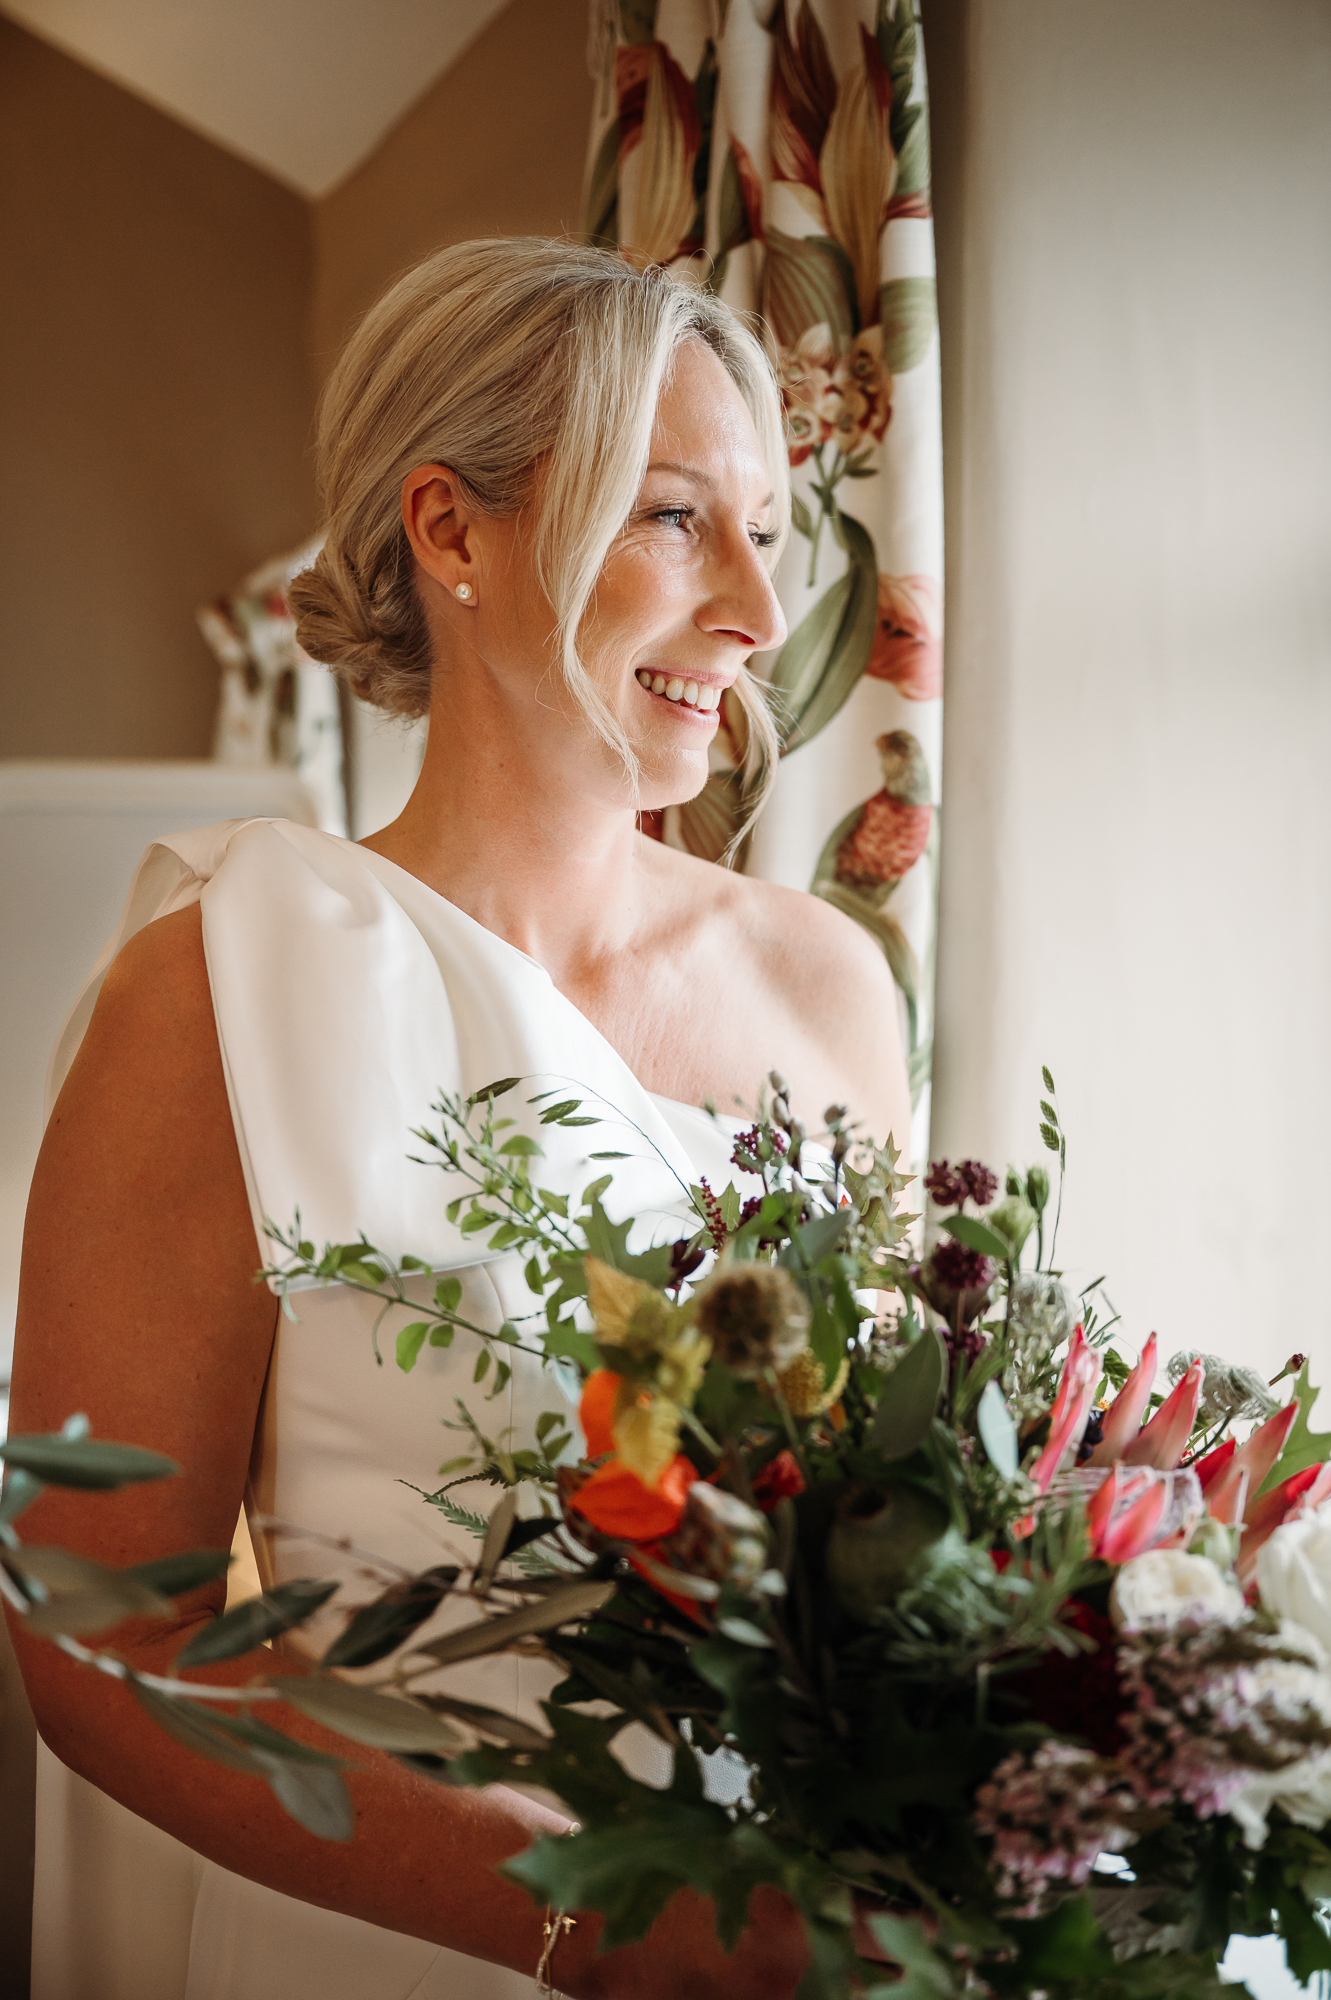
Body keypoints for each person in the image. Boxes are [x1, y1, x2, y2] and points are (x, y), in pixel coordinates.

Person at [8, 238, 911, 1999]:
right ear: (454, 530)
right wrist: (592, 1928)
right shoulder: (220, 985)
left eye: (771, 538)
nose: (753, 608)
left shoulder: (833, 989)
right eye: (673, 518)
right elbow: (106, 1632)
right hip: (400, 1938)